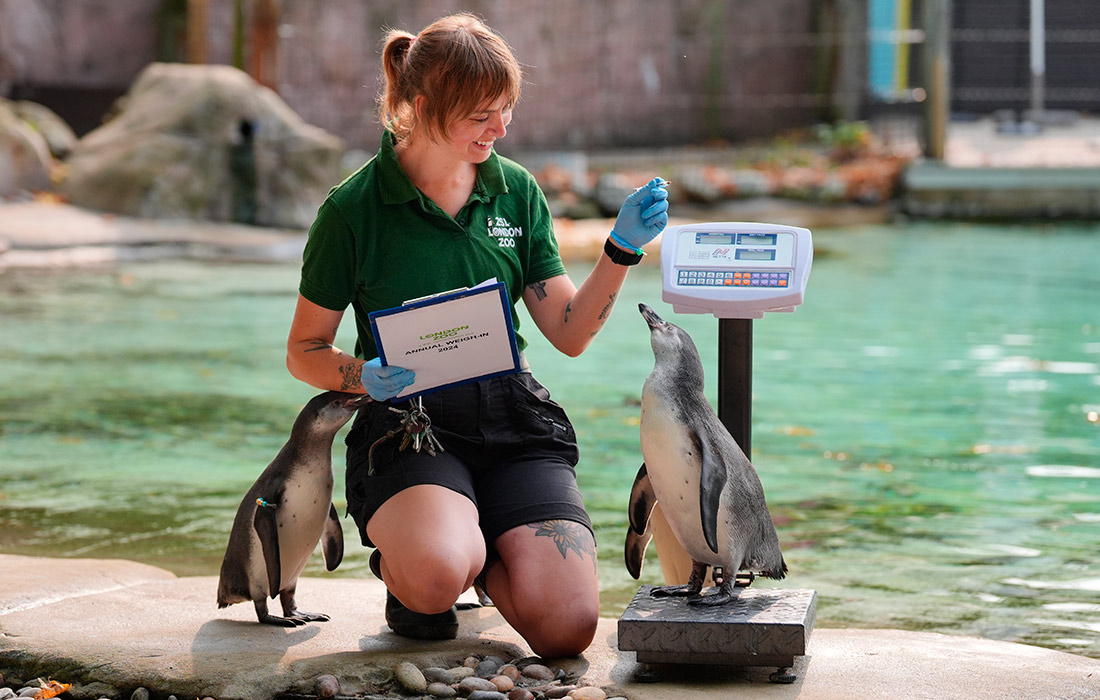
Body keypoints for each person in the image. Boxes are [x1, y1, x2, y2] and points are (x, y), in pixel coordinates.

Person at [286, 12, 668, 658]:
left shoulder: (515, 191)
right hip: (410, 426)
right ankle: (425, 568)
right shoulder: (352, 211)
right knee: (436, 578)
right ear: (422, 105)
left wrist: (621, 249)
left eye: (507, 110)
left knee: (570, 629)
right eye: (482, 114)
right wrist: (362, 376)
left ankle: (482, 547)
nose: (501, 128)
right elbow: (304, 352)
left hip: (513, 419)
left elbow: (569, 335)